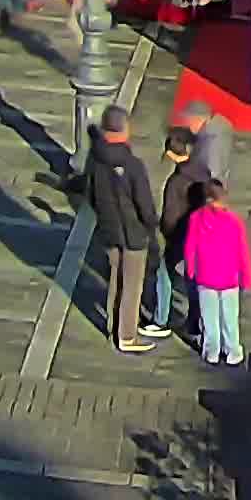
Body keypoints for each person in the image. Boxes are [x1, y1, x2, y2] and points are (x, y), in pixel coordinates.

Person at [83, 108, 159, 354]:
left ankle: (112, 325)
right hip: (134, 233)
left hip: (109, 229)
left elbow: (90, 194)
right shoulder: (133, 165)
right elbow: (145, 205)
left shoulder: (94, 159)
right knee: (132, 285)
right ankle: (127, 334)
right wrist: (151, 226)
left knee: (115, 278)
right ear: (126, 130)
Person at [177, 179, 251, 366]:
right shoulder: (234, 222)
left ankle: (212, 351)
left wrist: (191, 270)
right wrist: (246, 276)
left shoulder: (196, 218)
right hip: (229, 278)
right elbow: (242, 251)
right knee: (229, 318)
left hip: (205, 276)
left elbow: (190, 248)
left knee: (209, 318)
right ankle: (233, 351)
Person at [149, 131, 198, 338]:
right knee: (194, 280)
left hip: (179, 235)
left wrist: (166, 233)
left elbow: (170, 215)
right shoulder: (201, 171)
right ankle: (195, 322)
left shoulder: (176, 182)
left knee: (164, 272)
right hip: (198, 235)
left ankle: (161, 320)